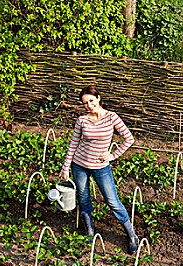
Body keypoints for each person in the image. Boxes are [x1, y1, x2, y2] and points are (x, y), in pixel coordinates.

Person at [59, 85, 139, 254]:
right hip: (79, 165)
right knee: (84, 198)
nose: (89, 105)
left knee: (112, 201)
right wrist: (65, 168)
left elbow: (128, 138)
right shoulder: (82, 120)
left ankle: (131, 234)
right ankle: (89, 230)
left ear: (99, 99)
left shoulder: (112, 117)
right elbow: (74, 144)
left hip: (101, 167)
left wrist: (113, 155)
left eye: (91, 101)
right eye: (85, 103)